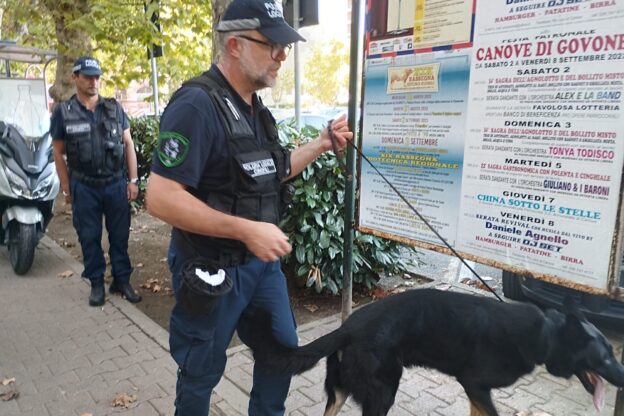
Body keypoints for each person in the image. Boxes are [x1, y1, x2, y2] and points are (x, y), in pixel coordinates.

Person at [144, 0, 353, 414]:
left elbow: (271, 173)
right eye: (272, 44)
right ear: (235, 44)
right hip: (211, 268)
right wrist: (246, 230)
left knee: (282, 352)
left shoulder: (258, 111)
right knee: (201, 369)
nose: (282, 55)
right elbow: (161, 197)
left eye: (285, 46)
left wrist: (320, 144)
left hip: (262, 270)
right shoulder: (195, 106)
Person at [51, 56, 142, 307]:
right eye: (88, 76)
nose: (94, 81)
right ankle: (96, 283)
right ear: (75, 78)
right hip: (84, 186)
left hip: (115, 183)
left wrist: (133, 181)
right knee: (89, 237)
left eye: (97, 77)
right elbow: (58, 152)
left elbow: (128, 144)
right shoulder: (64, 112)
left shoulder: (113, 108)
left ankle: (121, 281)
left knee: (120, 236)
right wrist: (67, 187)